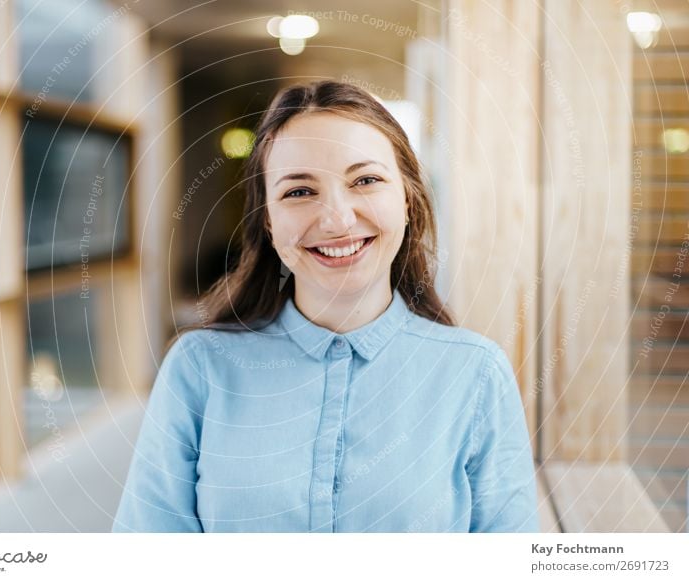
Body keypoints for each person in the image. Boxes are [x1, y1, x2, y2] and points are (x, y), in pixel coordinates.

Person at [112, 80, 539, 533]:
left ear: (408, 199)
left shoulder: (475, 374)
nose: (337, 219)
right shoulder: (199, 370)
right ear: (269, 223)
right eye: (299, 191)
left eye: (366, 180)